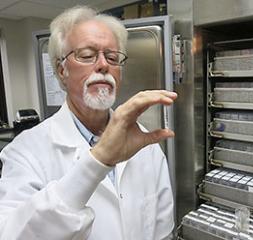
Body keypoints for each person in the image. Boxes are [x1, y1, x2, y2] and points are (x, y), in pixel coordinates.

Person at [0, 5, 177, 240]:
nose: (103, 65)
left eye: (112, 57)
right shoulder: (25, 152)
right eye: (86, 55)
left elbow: (162, 231)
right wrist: (98, 160)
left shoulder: (146, 144)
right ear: (61, 70)